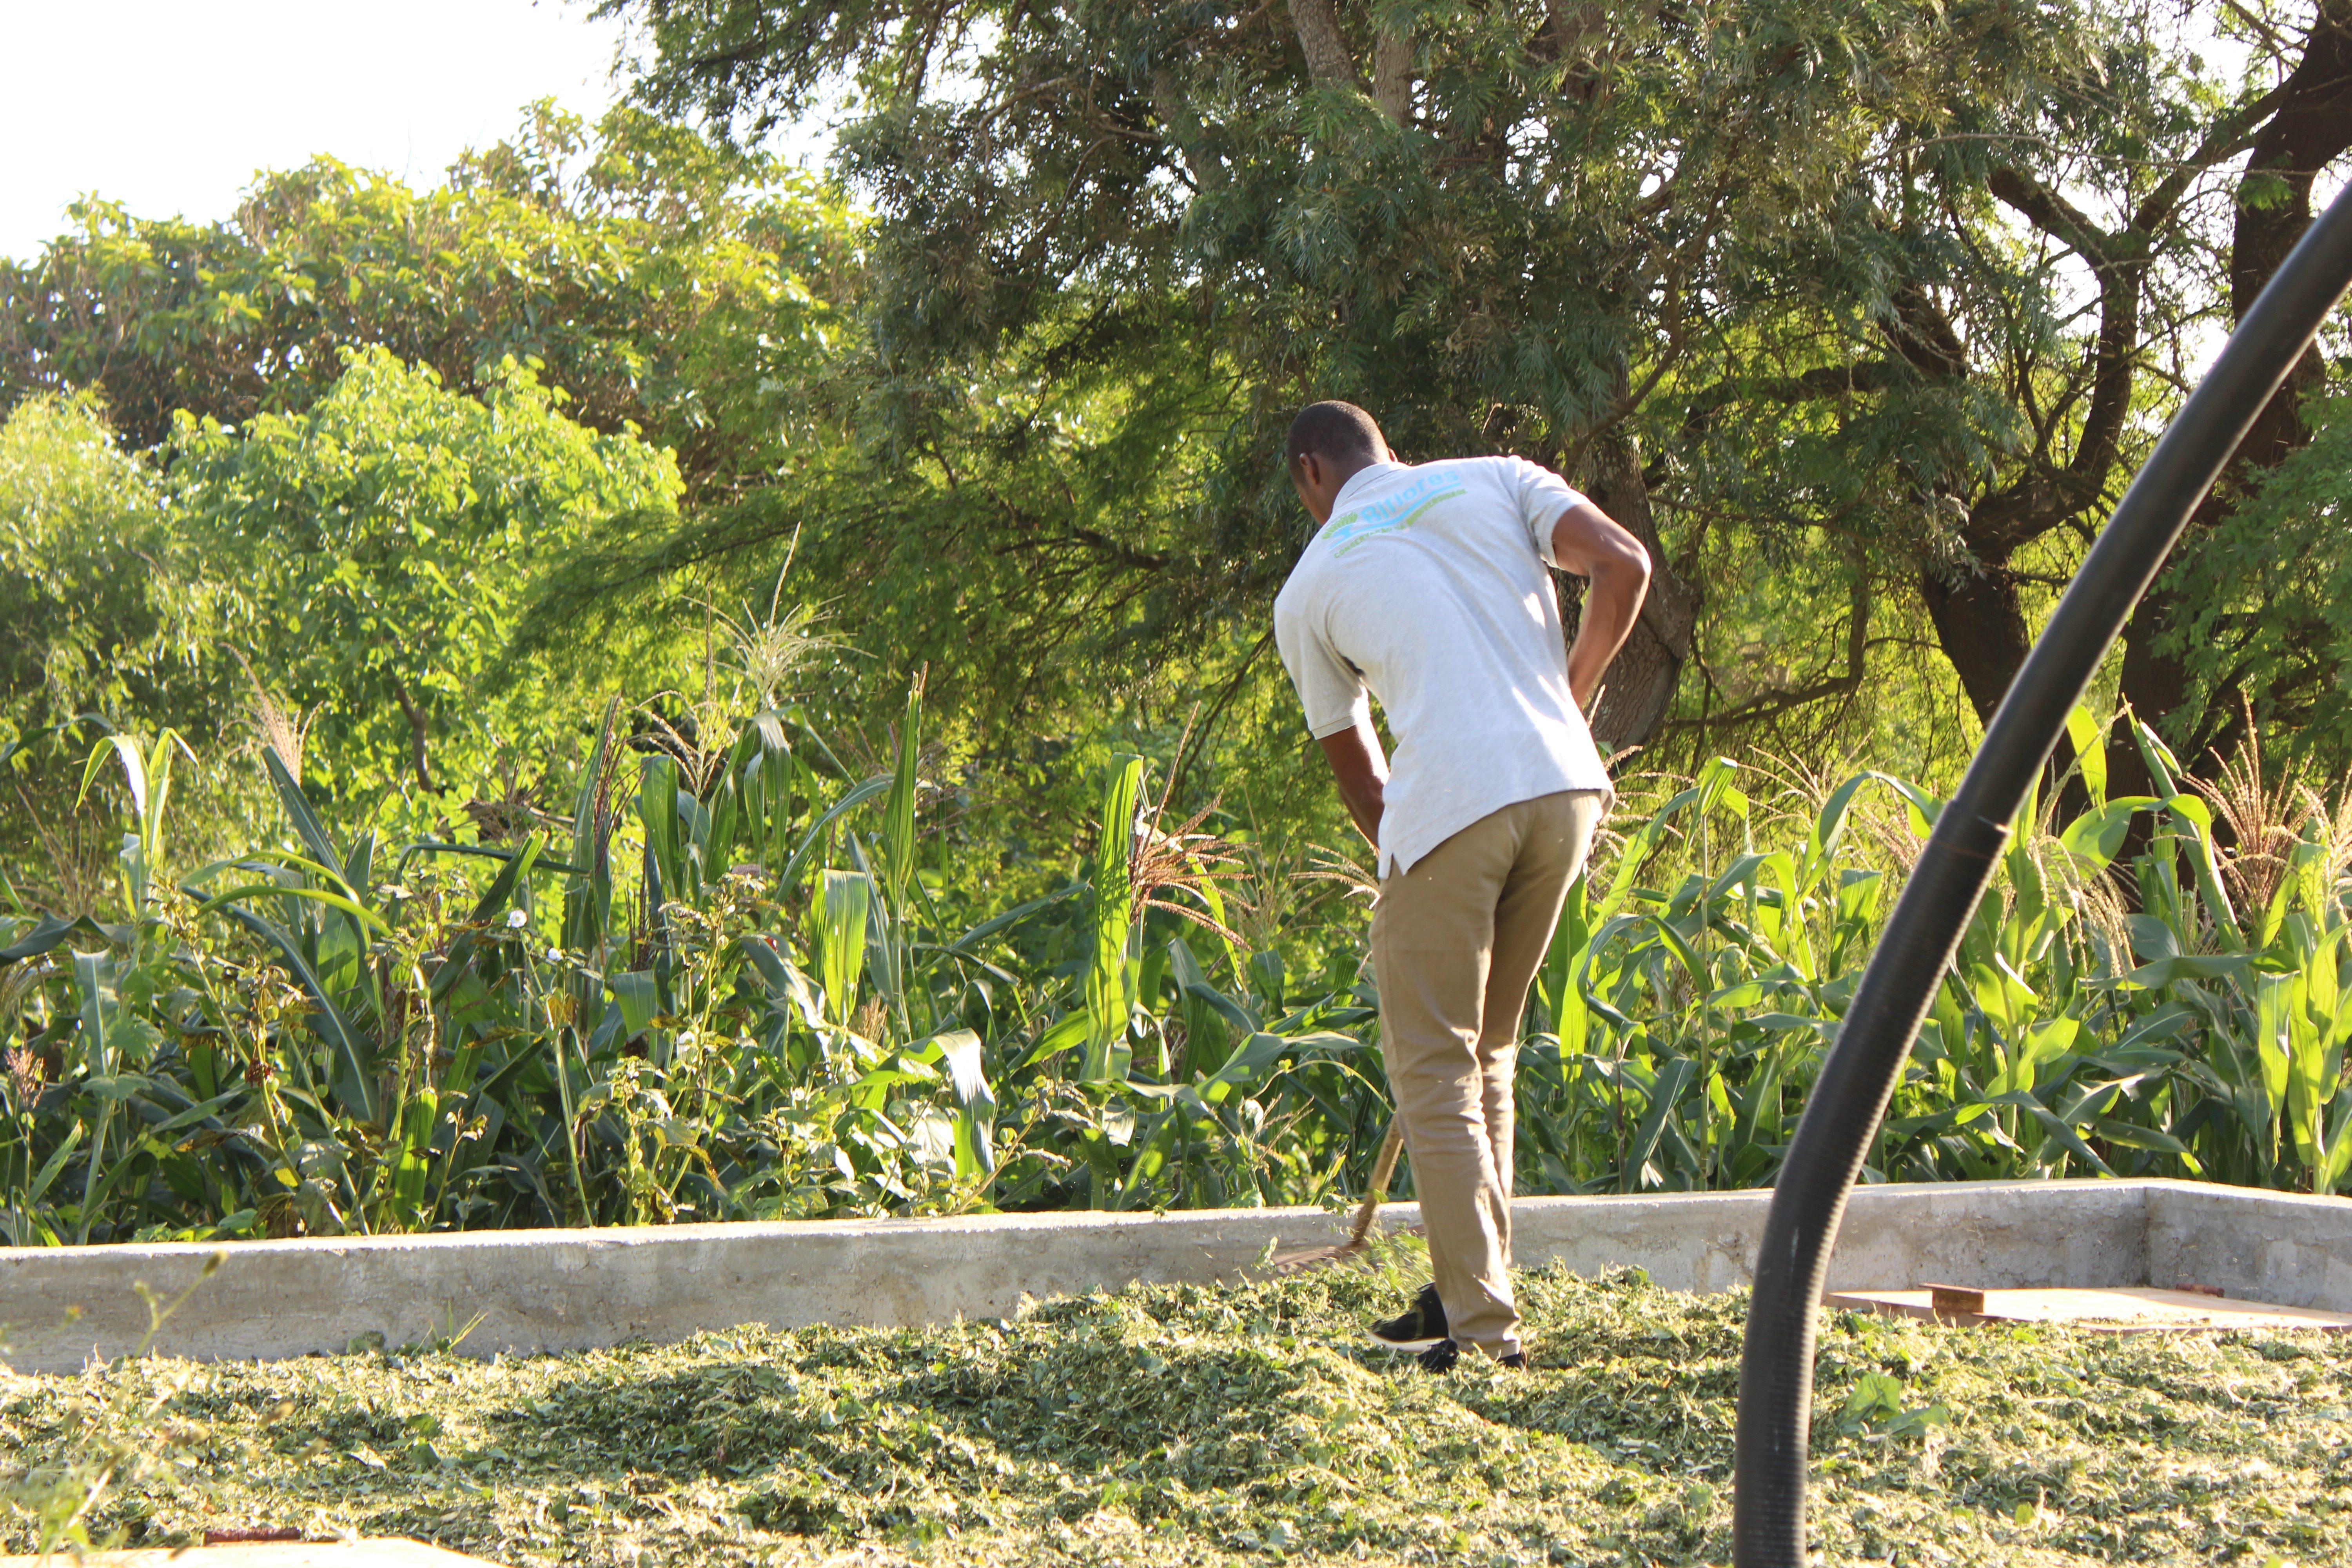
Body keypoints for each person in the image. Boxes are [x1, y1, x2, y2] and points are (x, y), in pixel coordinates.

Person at [1272, 400, 1651, 1370]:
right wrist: (1563, 704)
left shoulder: (1309, 586)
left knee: (1436, 1068)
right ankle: (1468, 1286)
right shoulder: (1497, 476)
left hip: (1453, 804)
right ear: (1390, 453)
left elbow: (1362, 777)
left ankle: (1485, 1337)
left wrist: (1410, 865)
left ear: (1311, 472)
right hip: (1567, 789)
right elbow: (1624, 564)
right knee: (1487, 1053)